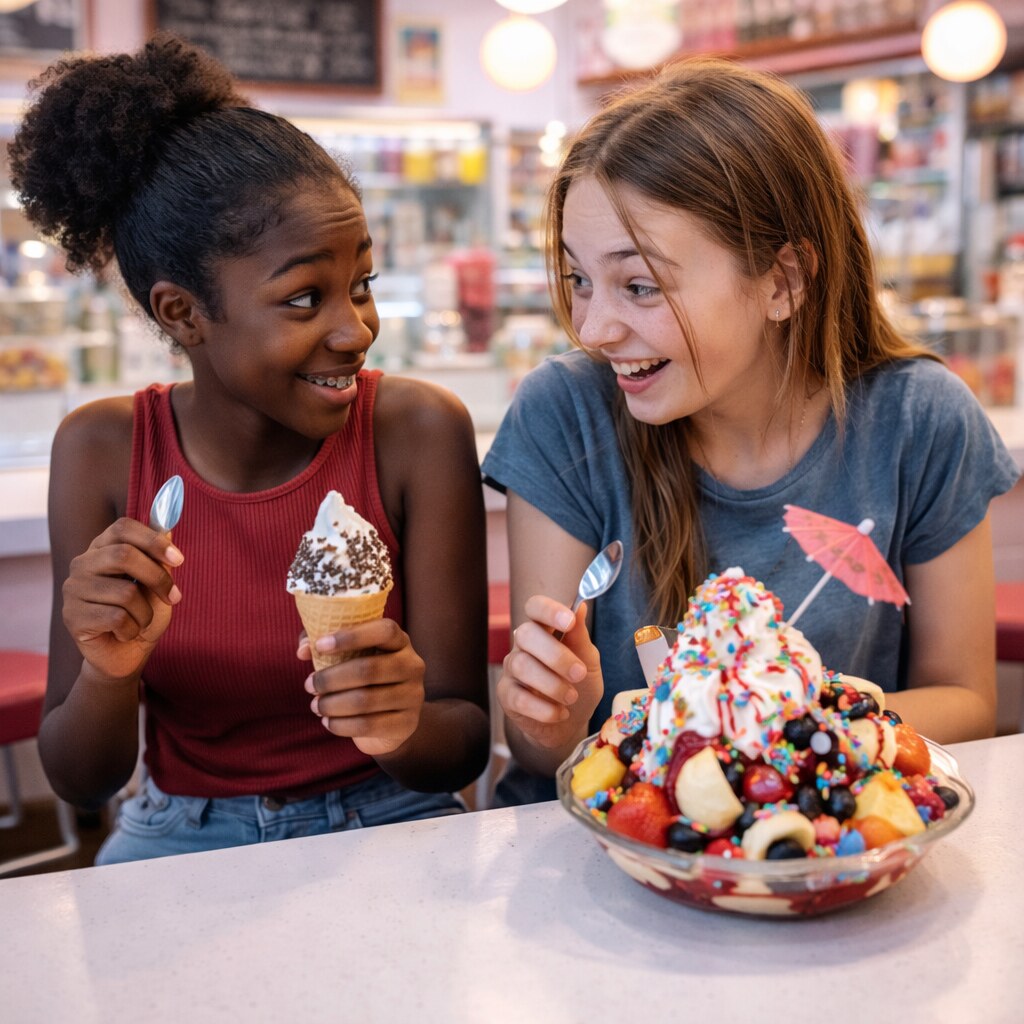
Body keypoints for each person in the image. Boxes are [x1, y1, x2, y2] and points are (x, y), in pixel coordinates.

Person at [483, 57, 1020, 806]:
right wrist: (553, 712)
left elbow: (966, 701)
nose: (595, 327)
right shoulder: (563, 413)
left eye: (638, 285)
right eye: (578, 279)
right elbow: (547, 752)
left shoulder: (918, 421)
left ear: (783, 280)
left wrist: (761, 724)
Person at [10, 34, 490, 862]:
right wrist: (108, 668)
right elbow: (83, 779)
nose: (357, 328)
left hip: (391, 814)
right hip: (178, 831)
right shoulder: (102, 450)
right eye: (305, 298)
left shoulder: (417, 432)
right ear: (182, 314)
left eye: (362, 284)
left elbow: (461, 746)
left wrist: (400, 724)